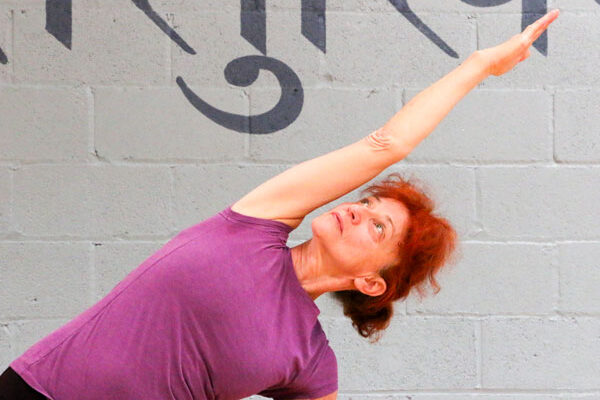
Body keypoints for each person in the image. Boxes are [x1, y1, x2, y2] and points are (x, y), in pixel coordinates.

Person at [0, 9, 559, 400]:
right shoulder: (255, 225)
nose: (358, 210)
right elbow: (385, 145)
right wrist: (478, 65)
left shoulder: (309, 361)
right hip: (34, 392)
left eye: (378, 229)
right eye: (368, 202)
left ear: (371, 282)